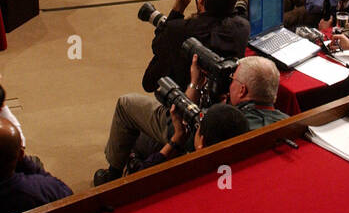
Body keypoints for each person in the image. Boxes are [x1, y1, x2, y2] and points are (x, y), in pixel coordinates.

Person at [96, 52, 284, 185]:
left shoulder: (222, 124)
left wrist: (194, 83)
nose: (230, 85)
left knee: (127, 106)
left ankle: (112, 178)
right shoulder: (286, 122)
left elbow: (179, 126)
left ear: (242, 90)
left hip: (204, 173)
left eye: (233, 80)